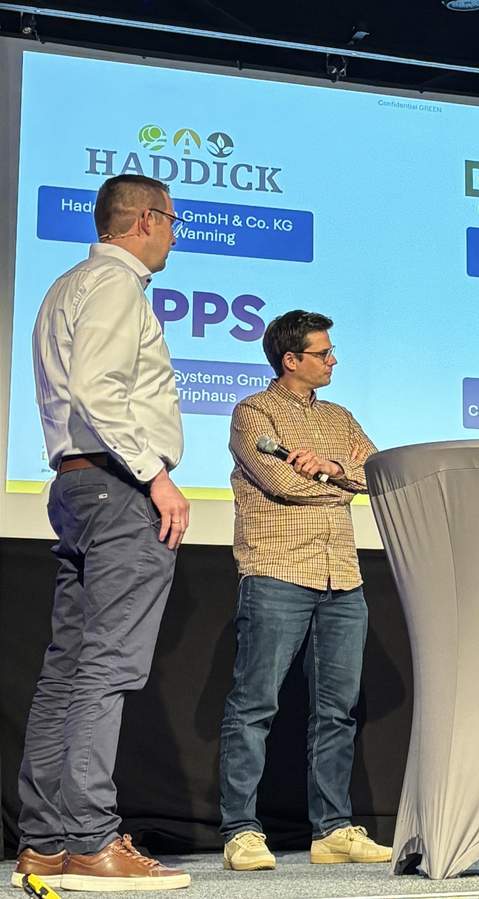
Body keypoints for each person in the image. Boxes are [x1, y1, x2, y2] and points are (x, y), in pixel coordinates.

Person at [13, 174, 191, 892]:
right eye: (173, 220)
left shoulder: (66, 285)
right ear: (145, 219)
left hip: (77, 485)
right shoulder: (116, 285)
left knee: (69, 667)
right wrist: (155, 475)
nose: (174, 235)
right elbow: (96, 389)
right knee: (107, 666)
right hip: (119, 488)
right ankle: (90, 839)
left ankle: (45, 841)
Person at [217, 311, 389, 871]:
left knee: (337, 710)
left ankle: (333, 829)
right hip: (277, 569)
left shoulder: (339, 417)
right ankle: (241, 830)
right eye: (323, 352)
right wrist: (338, 484)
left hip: (343, 575)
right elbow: (281, 482)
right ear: (291, 360)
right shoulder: (254, 412)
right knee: (255, 705)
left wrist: (333, 467)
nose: (333, 359)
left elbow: (379, 473)